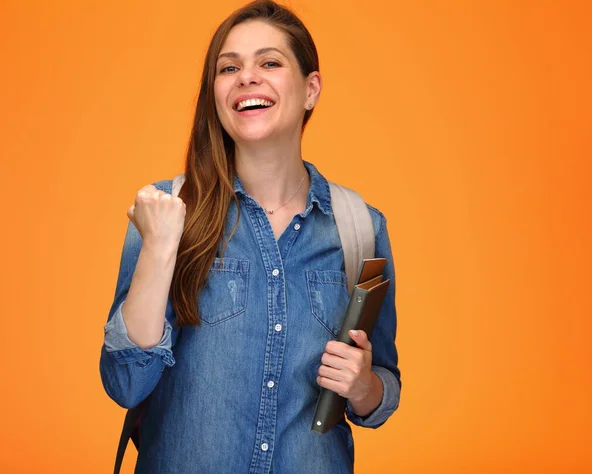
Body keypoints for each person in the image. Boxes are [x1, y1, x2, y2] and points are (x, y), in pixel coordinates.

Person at [100, 1, 401, 472]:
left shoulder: (363, 227)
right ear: (216, 93)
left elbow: (383, 381)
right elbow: (125, 384)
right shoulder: (164, 211)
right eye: (228, 67)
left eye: (269, 62)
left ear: (310, 89)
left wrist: (364, 387)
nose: (246, 77)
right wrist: (160, 247)